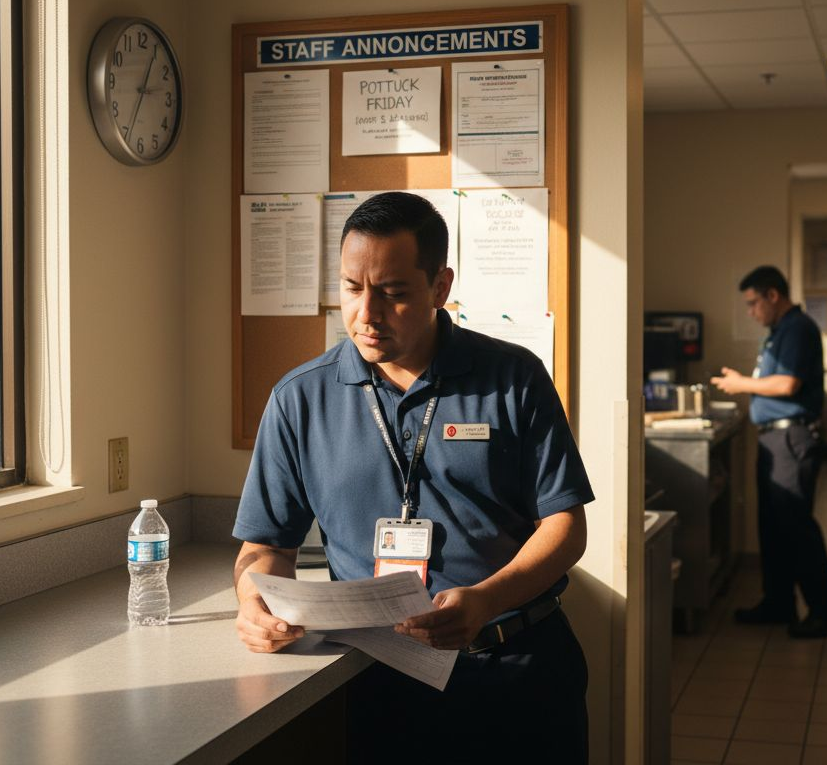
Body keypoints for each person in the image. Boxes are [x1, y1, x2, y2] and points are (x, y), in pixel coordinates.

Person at [230, 192, 595, 764]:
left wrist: (482, 600)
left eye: (394, 294)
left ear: (440, 287)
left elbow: (566, 526)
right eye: (352, 288)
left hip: (517, 672)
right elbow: (264, 548)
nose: (366, 314)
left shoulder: (513, 378)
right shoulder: (299, 399)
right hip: (382, 682)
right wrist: (253, 604)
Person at [711, 266, 827, 639]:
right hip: (775, 440)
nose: (751, 312)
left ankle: (826, 611)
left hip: (793, 439)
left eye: (754, 303)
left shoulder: (798, 328)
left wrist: (741, 384)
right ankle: (778, 602)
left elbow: (788, 384)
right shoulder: (779, 332)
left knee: (796, 526)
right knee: (773, 526)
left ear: (773, 295)